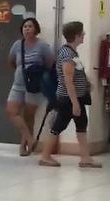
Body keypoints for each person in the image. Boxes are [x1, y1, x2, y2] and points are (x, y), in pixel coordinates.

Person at [39, 21, 101, 168]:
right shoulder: (67, 54)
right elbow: (68, 80)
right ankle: (45, 156)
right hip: (68, 99)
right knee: (58, 126)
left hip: (76, 97)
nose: (84, 35)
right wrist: (74, 103)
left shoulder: (72, 52)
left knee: (81, 125)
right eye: (82, 33)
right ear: (76, 36)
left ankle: (85, 157)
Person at [7, 18, 53, 156]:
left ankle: (24, 147)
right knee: (11, 111)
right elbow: (10, 61)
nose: (27, 28)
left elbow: (50, 64)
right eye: (25, 26)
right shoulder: (17, 44)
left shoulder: (42, 46)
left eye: (30, 26)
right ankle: (30, 139)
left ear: (36, 29)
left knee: (28, 116)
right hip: (18, 84)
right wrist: (21, 72)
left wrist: (36, 73)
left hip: (34, 85)